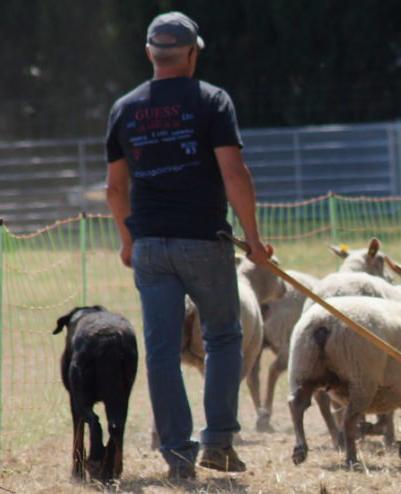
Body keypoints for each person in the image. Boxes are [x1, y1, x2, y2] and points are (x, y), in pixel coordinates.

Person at [104, 11, 269, 481]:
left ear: (150, 54)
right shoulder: (212, 100)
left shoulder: (124, 108)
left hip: (151, 246)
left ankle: (177, 455)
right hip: (204, 241)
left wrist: (127, 241)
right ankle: (218, 443)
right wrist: (253, 240)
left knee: (161, 350)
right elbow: (234, 173)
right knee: (223, 338)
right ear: (192, 53)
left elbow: (116, 188)